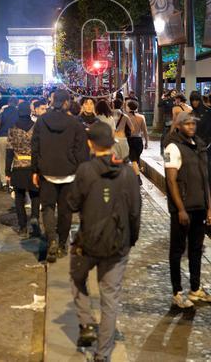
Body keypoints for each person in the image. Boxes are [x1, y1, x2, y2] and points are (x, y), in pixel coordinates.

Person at [67, 122, 141, 362]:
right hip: (118, 244)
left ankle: (86, 323)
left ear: (91, 144)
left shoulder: (85, 171)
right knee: (110, 298)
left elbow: (72, 204)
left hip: (88, 241)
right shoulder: (128, 173)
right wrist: (131, 239)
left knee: (77, 277)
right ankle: (103, 354)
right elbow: (135, 212)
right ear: (112, 143)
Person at [163, 111, 211, 309]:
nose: (191, 127)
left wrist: (209, 209)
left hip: (199, 207)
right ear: (178, 126)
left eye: (193, 124)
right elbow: (171, 180)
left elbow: (205, 179)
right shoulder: (173, 146)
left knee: (196, 249)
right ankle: (177, 291)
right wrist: (180, 209)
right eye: (187, 124)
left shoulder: (199, 146)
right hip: (183, 209)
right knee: (177, 250)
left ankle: (195, 288)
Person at [32, 89, 89, 263]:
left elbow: (35, 147)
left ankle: (52, 240)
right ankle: (63, 244)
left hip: (47, 171)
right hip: (69, 173)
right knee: (65, 211)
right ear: (66, 103)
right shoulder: (75, 124)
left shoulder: (41, 121)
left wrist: (34, 170)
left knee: (48, 207)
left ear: (52, 101)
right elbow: (82, 152)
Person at [6, 101, 40, 238]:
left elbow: (9, 152)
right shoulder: (36, 127)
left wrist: (7, 172)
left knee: (19, 198)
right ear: (29, 112)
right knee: (35, 195)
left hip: (18, 166)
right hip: (33, 167)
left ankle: (22, 226)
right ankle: (35, 220)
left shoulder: (12, 129)